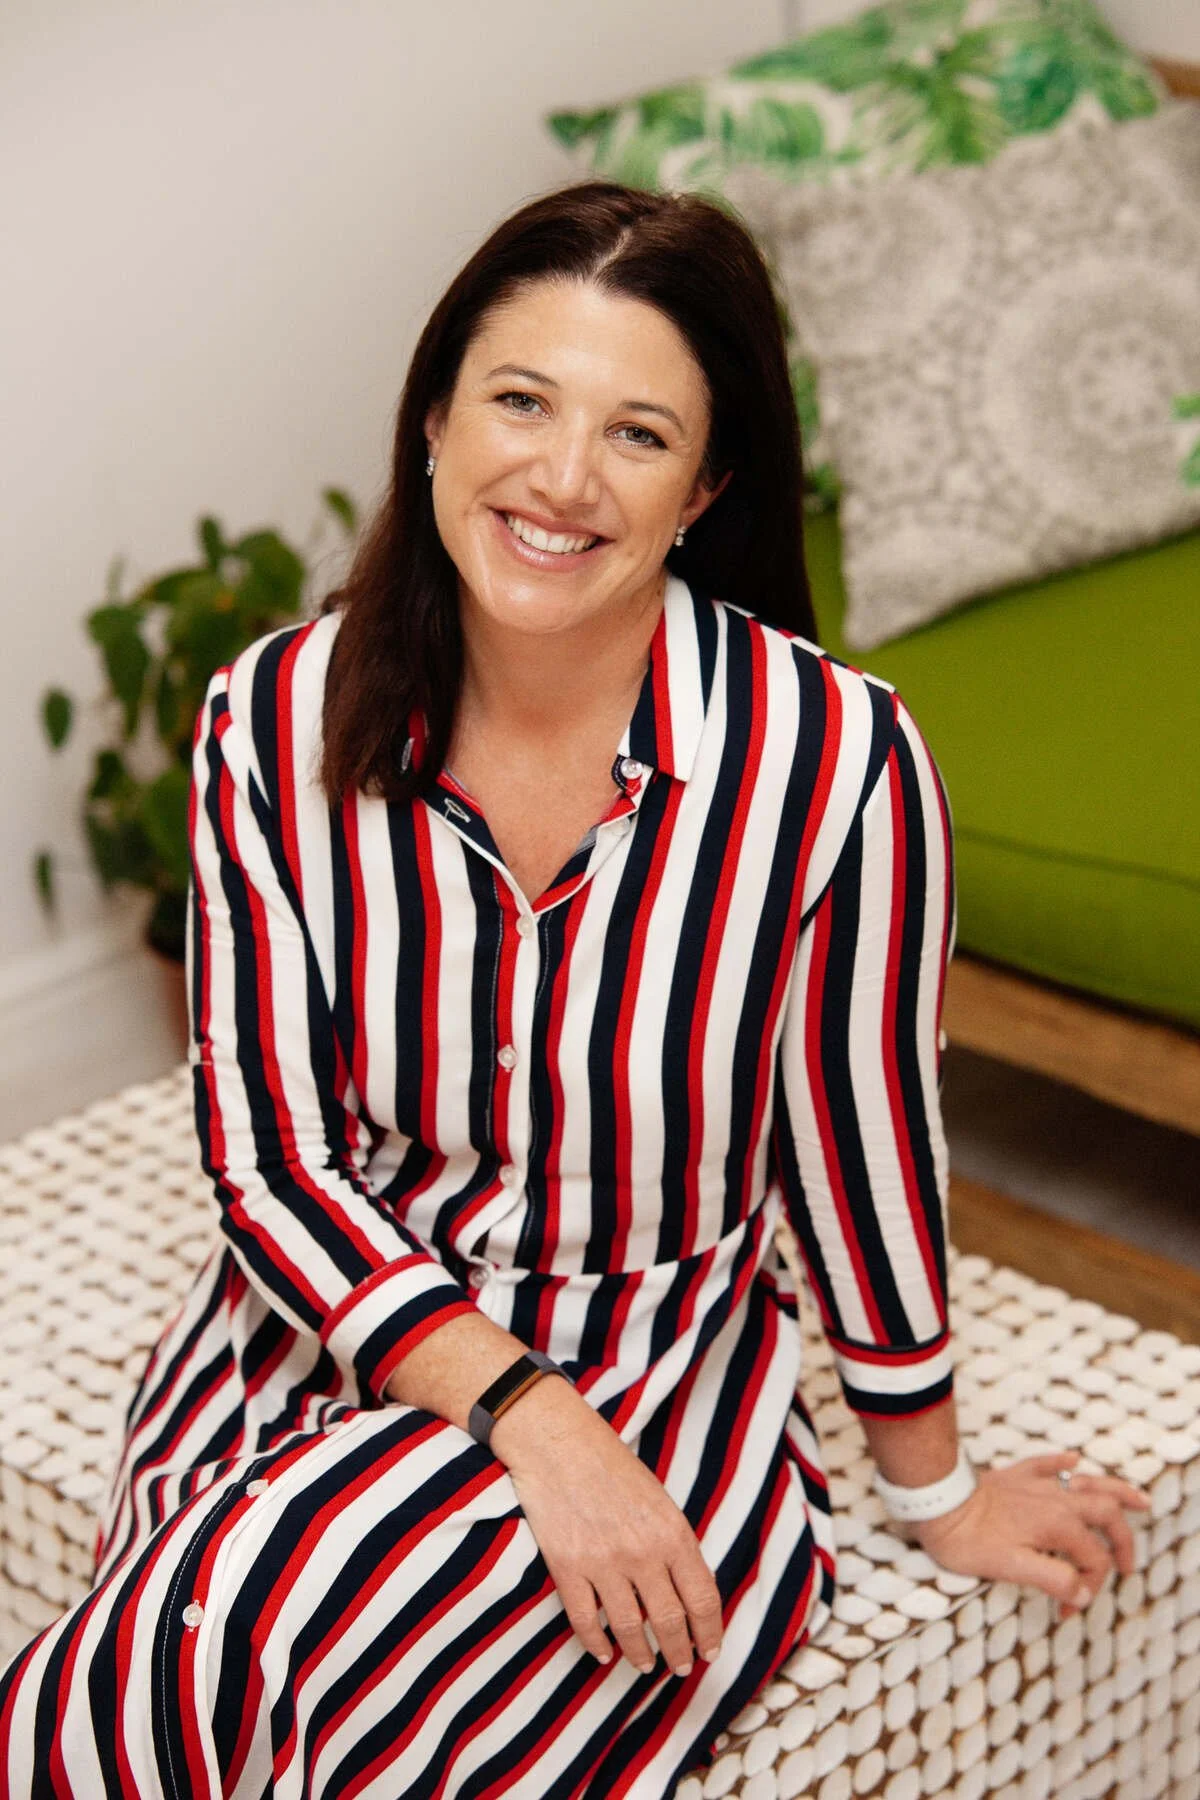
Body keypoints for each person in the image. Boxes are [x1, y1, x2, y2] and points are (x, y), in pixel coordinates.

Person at [1, 179, 1151, 1799]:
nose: (559, 477)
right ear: (432, 420)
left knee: (331, 1678)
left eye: (637, 433)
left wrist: (937, 1487)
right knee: (183, 1655)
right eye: (521, 401)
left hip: (654, 1347)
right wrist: (532, 1424)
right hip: (340, 1311)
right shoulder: (273, 716)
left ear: (705, 487)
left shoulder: (832, 768)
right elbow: (269, 1160)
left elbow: (861, 1148)